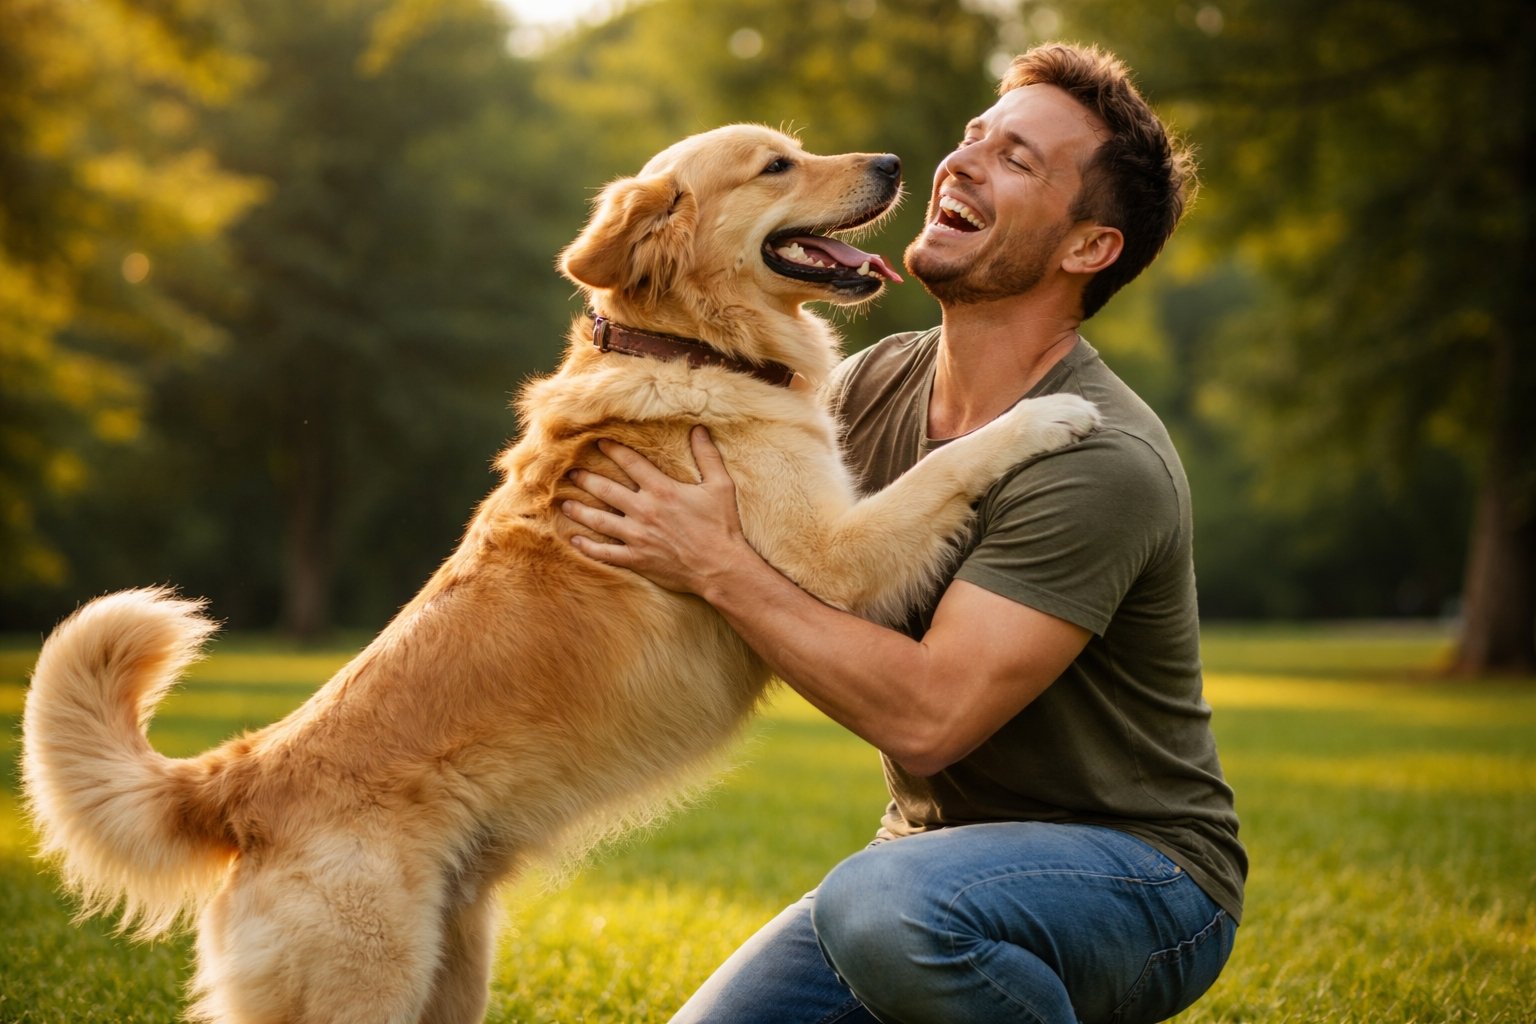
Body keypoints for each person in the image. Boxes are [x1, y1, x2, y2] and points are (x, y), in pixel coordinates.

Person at [559, 41, 1245, 1024]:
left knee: (882, 910)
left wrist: (716, 563)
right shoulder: (875, 382)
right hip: (926, 861)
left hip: (1137, 876)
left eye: (1015, 159)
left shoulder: (1099, 456)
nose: (960, 163)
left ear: (1087, 248)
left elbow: (931, 718)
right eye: (975, 136)